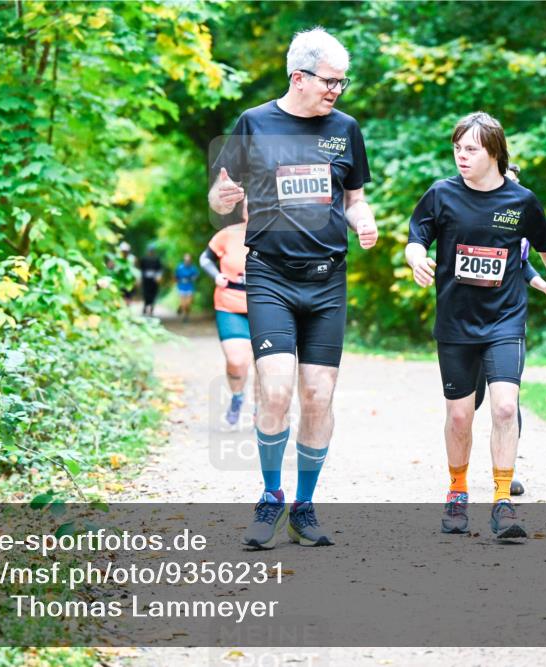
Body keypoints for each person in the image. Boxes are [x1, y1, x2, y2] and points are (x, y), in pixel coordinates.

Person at [209, 27, 377, 549]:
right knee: (277, 389)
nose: (336, 91)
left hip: (327, 280)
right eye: (330, 81)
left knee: (318, 395)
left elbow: (354, 199)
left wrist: (364, 222)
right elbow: (218, 199)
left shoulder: (345, 128)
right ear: (298, 77)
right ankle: (271, 497)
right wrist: (224, 193)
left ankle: (305, 506)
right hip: (270, 277)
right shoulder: (254, 123)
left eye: (342, 83)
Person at [405, 112, 546, 540]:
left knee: (504, 406)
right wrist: (415, 259)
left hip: (505, 319)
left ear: (495, 153)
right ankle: (458, 492)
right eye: (457, 149)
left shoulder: (521, 201)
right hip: (456, 323)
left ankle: (503, 501)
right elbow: (415, 237)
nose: (461, 157)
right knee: (460, 417)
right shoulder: (441, 194)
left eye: (471, 150)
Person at [472, 163, 546, 497]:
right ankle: (459, 465)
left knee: (508, 399)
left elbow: (522, 264)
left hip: (506, 319)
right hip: (468, 320)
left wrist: (544, 285)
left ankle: (508, 472)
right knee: (472, 399)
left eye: (516, 182)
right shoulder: (475, 215)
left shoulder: (521, 223)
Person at [200, 201, 252, 426]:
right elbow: (205, 258)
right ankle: (237, 396)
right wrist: (215, 276)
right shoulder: (228, 235)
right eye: (251, 205)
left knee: (266, 365)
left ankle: (263, 410)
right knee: (237, 360)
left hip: (267, 306)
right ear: (244, 209)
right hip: (230, 304)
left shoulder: (278, 234)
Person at [174, 253, 199, 322]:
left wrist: (193, 278)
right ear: (184, 260)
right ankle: (181, 308)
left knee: (188, 303)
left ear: (190, 260)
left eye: (188, 260)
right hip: (181, 287)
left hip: (190, 287)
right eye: (186, 260)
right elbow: (176, 276)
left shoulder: (193, 268)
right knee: (183, 303)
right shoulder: (180, 267)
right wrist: (178, 281)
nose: (187, 261)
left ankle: (186, 315)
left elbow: (196, 275)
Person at [139, 245, 163, 317]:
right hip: (146, 280)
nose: (151, 252)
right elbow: (141, 269)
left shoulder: (157, 260)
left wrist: (159, 276)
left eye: (152, 251)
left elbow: (160, 269)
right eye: (150, 251)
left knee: (153, 294)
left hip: (154, 280)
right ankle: (146, 306)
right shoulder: (144, 259)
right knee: (146, 294)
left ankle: (151, 307)